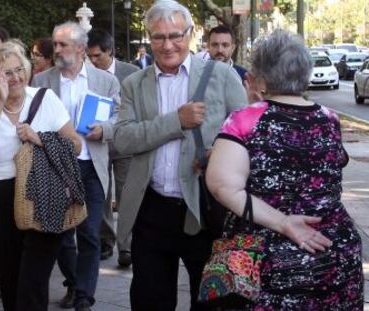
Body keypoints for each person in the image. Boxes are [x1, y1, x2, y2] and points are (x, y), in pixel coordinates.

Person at [206, 30, 364, 309]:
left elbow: (222, 186)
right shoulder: (328, 119)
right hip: (331, 246)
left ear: (261, 76)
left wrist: (283, 222)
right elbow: (334, 165)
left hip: (261, 254)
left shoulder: (244, 120)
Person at [113, 1, 247, 310]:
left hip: (204, 210)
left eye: (175, 35)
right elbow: (122, 139)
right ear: (149, 38)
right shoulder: (134, 83)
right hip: (152, 210)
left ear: (189, 34)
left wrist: (221, 153)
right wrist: (176, 121)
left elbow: (246, 139)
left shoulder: (221, 77)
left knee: (211, 301)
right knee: (149, 300)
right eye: (158, 37)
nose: (168, 44)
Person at [0, 41, 82, 311]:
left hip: (44, 192)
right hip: (0, 198)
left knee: (32, 282)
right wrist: (0, 100)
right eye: (6, 73)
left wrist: (40, 138)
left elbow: (76, 145)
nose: (16, 78)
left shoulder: (45, 99)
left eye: (19, 69)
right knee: (9, 277)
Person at [32, 22, 120, 311]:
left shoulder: (105, 81)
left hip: (91, 166)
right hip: (55, 167)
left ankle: (84, 296)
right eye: (55, 45)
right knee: (59, 233)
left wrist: (104, 129)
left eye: (62, 45)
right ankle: (73, 282)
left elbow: (120, 116)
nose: (55, 50)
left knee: (89, 234)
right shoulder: (43, 81)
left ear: (80, 48)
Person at [86, 28, 138, 267]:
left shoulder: (132, 72)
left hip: (126, 143)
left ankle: (126, 246)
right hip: (98, 143)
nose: (93, 61)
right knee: (102, 195)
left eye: (98, 56)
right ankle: (105, 240)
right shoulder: (86, 75)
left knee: (126, 194)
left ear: (110, 52)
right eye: (90, 56)